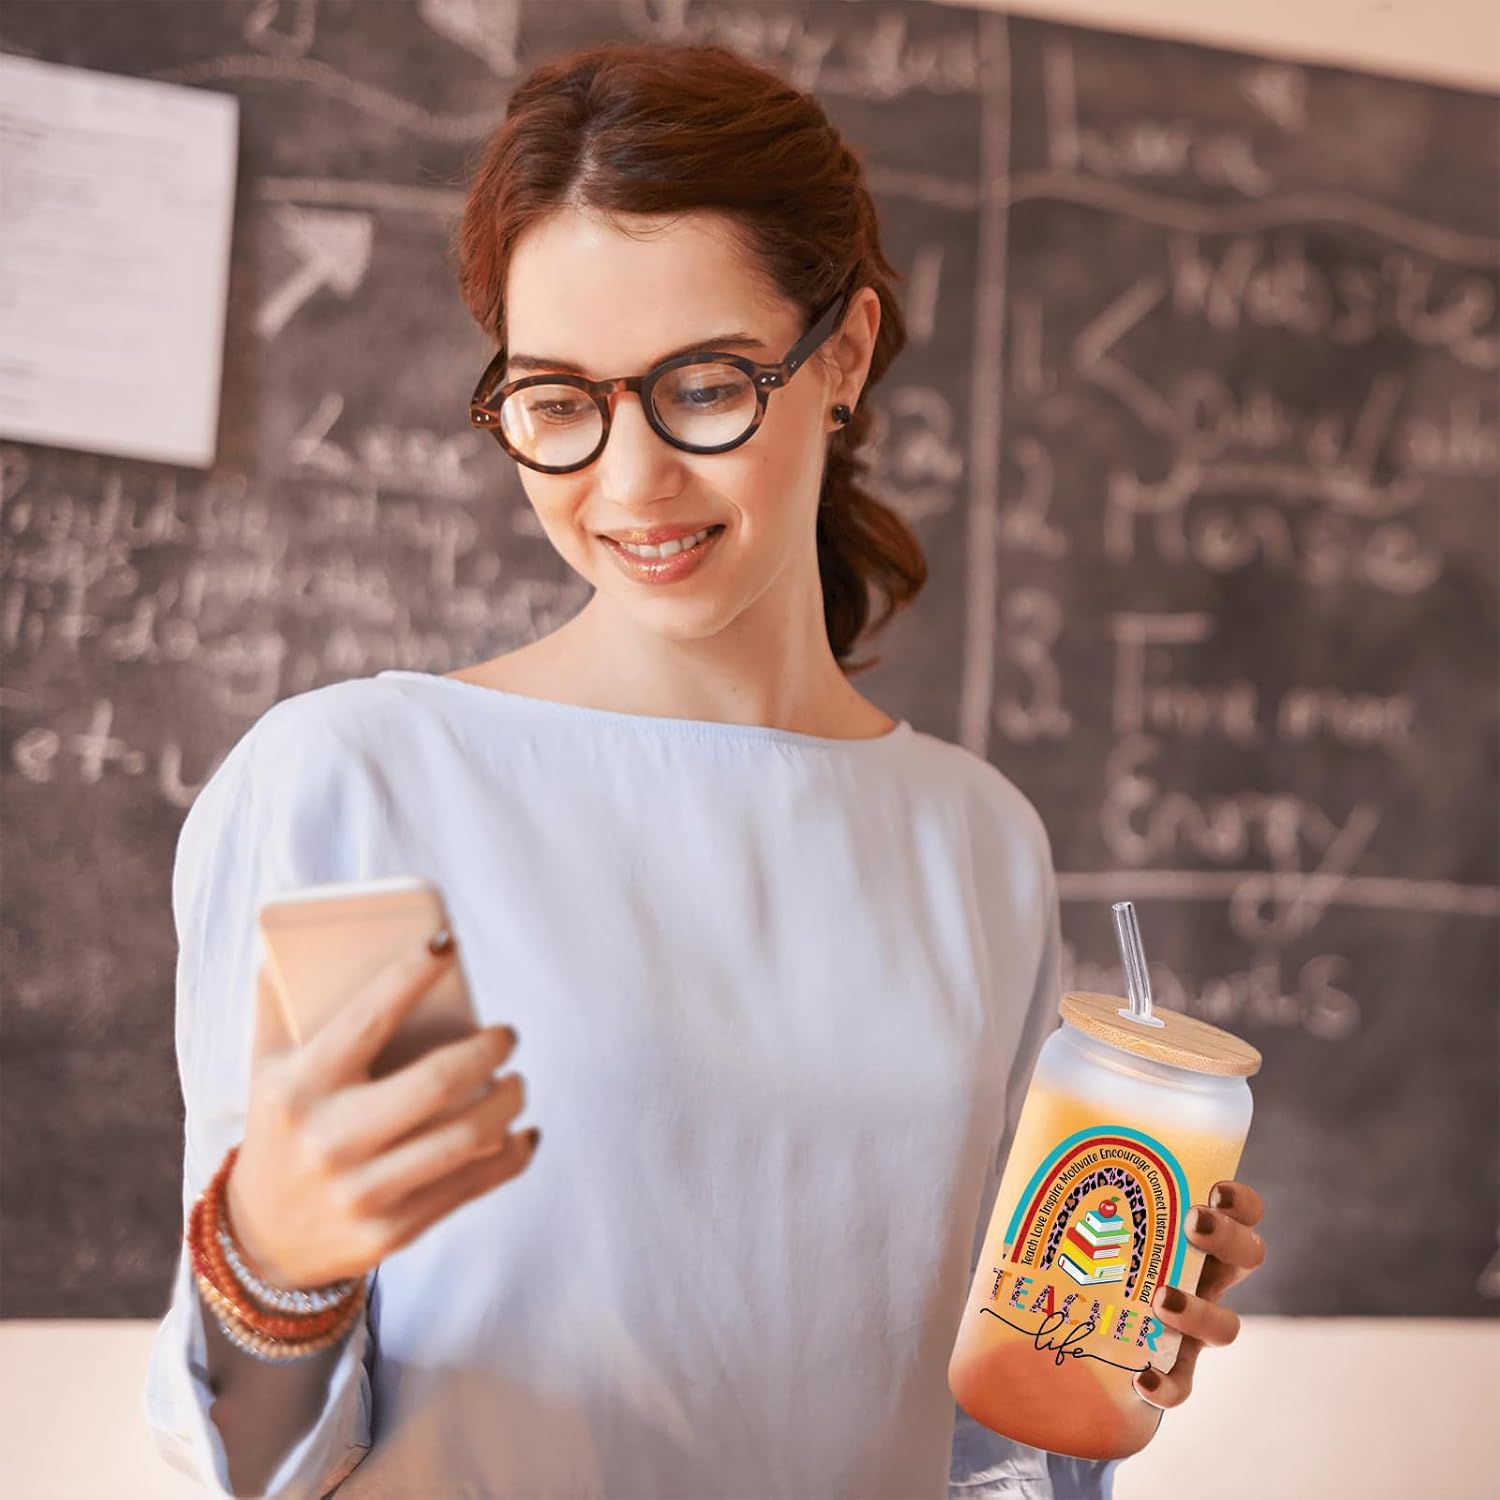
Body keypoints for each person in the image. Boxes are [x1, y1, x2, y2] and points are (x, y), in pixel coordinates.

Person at [142, 40, 1267, 1500]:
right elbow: (255, 1465)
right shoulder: (365, 789)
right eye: (558, 401)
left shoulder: (974, 840)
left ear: (845, 354)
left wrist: (1090, 1357)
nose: (630, 483)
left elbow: (974, 1450)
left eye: (707, 385)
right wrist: (271, 1268)